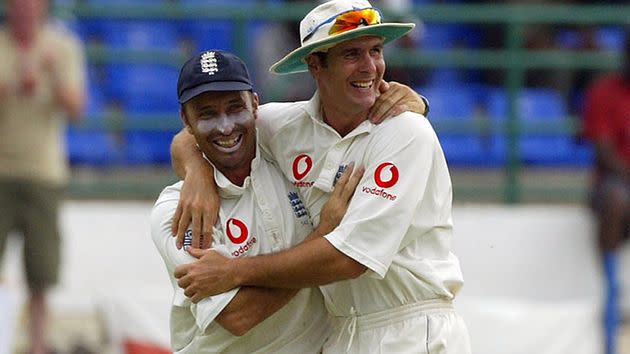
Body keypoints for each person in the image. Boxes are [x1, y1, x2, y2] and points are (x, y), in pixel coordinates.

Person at [173, 1, 469, 352]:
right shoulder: (286, 125)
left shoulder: (405, 133)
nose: (370, 67)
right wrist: (197, 173)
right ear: (315, 64)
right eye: (352, 54)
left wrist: (236, 271)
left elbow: (348, 260)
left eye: (375, 51)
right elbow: (198, 134)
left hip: (413, 330)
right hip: (341, 332)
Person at [151, 49, 363, 353]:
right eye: (207, 114)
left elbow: (355, 109)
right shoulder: (177, 210)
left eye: (235, 107)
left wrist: (409, 100)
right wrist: (322, 239)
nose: (225, 127)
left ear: (255, 104)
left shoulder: (288, 155)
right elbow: (238, 315)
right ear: (187, 120)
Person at [0, 1, 85, 353]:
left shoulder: (62, 47)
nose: (24, 9)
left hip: (43, 173)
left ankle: (35, 347)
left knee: (41, 275)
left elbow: (77, 108)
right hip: (1, 172)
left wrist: (51, 75)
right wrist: (15, 83)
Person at [582, 28, 630, 354]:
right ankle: (612, 290)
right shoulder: (604, 91)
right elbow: (603, 150)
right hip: (615, 183)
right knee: (616, 197)